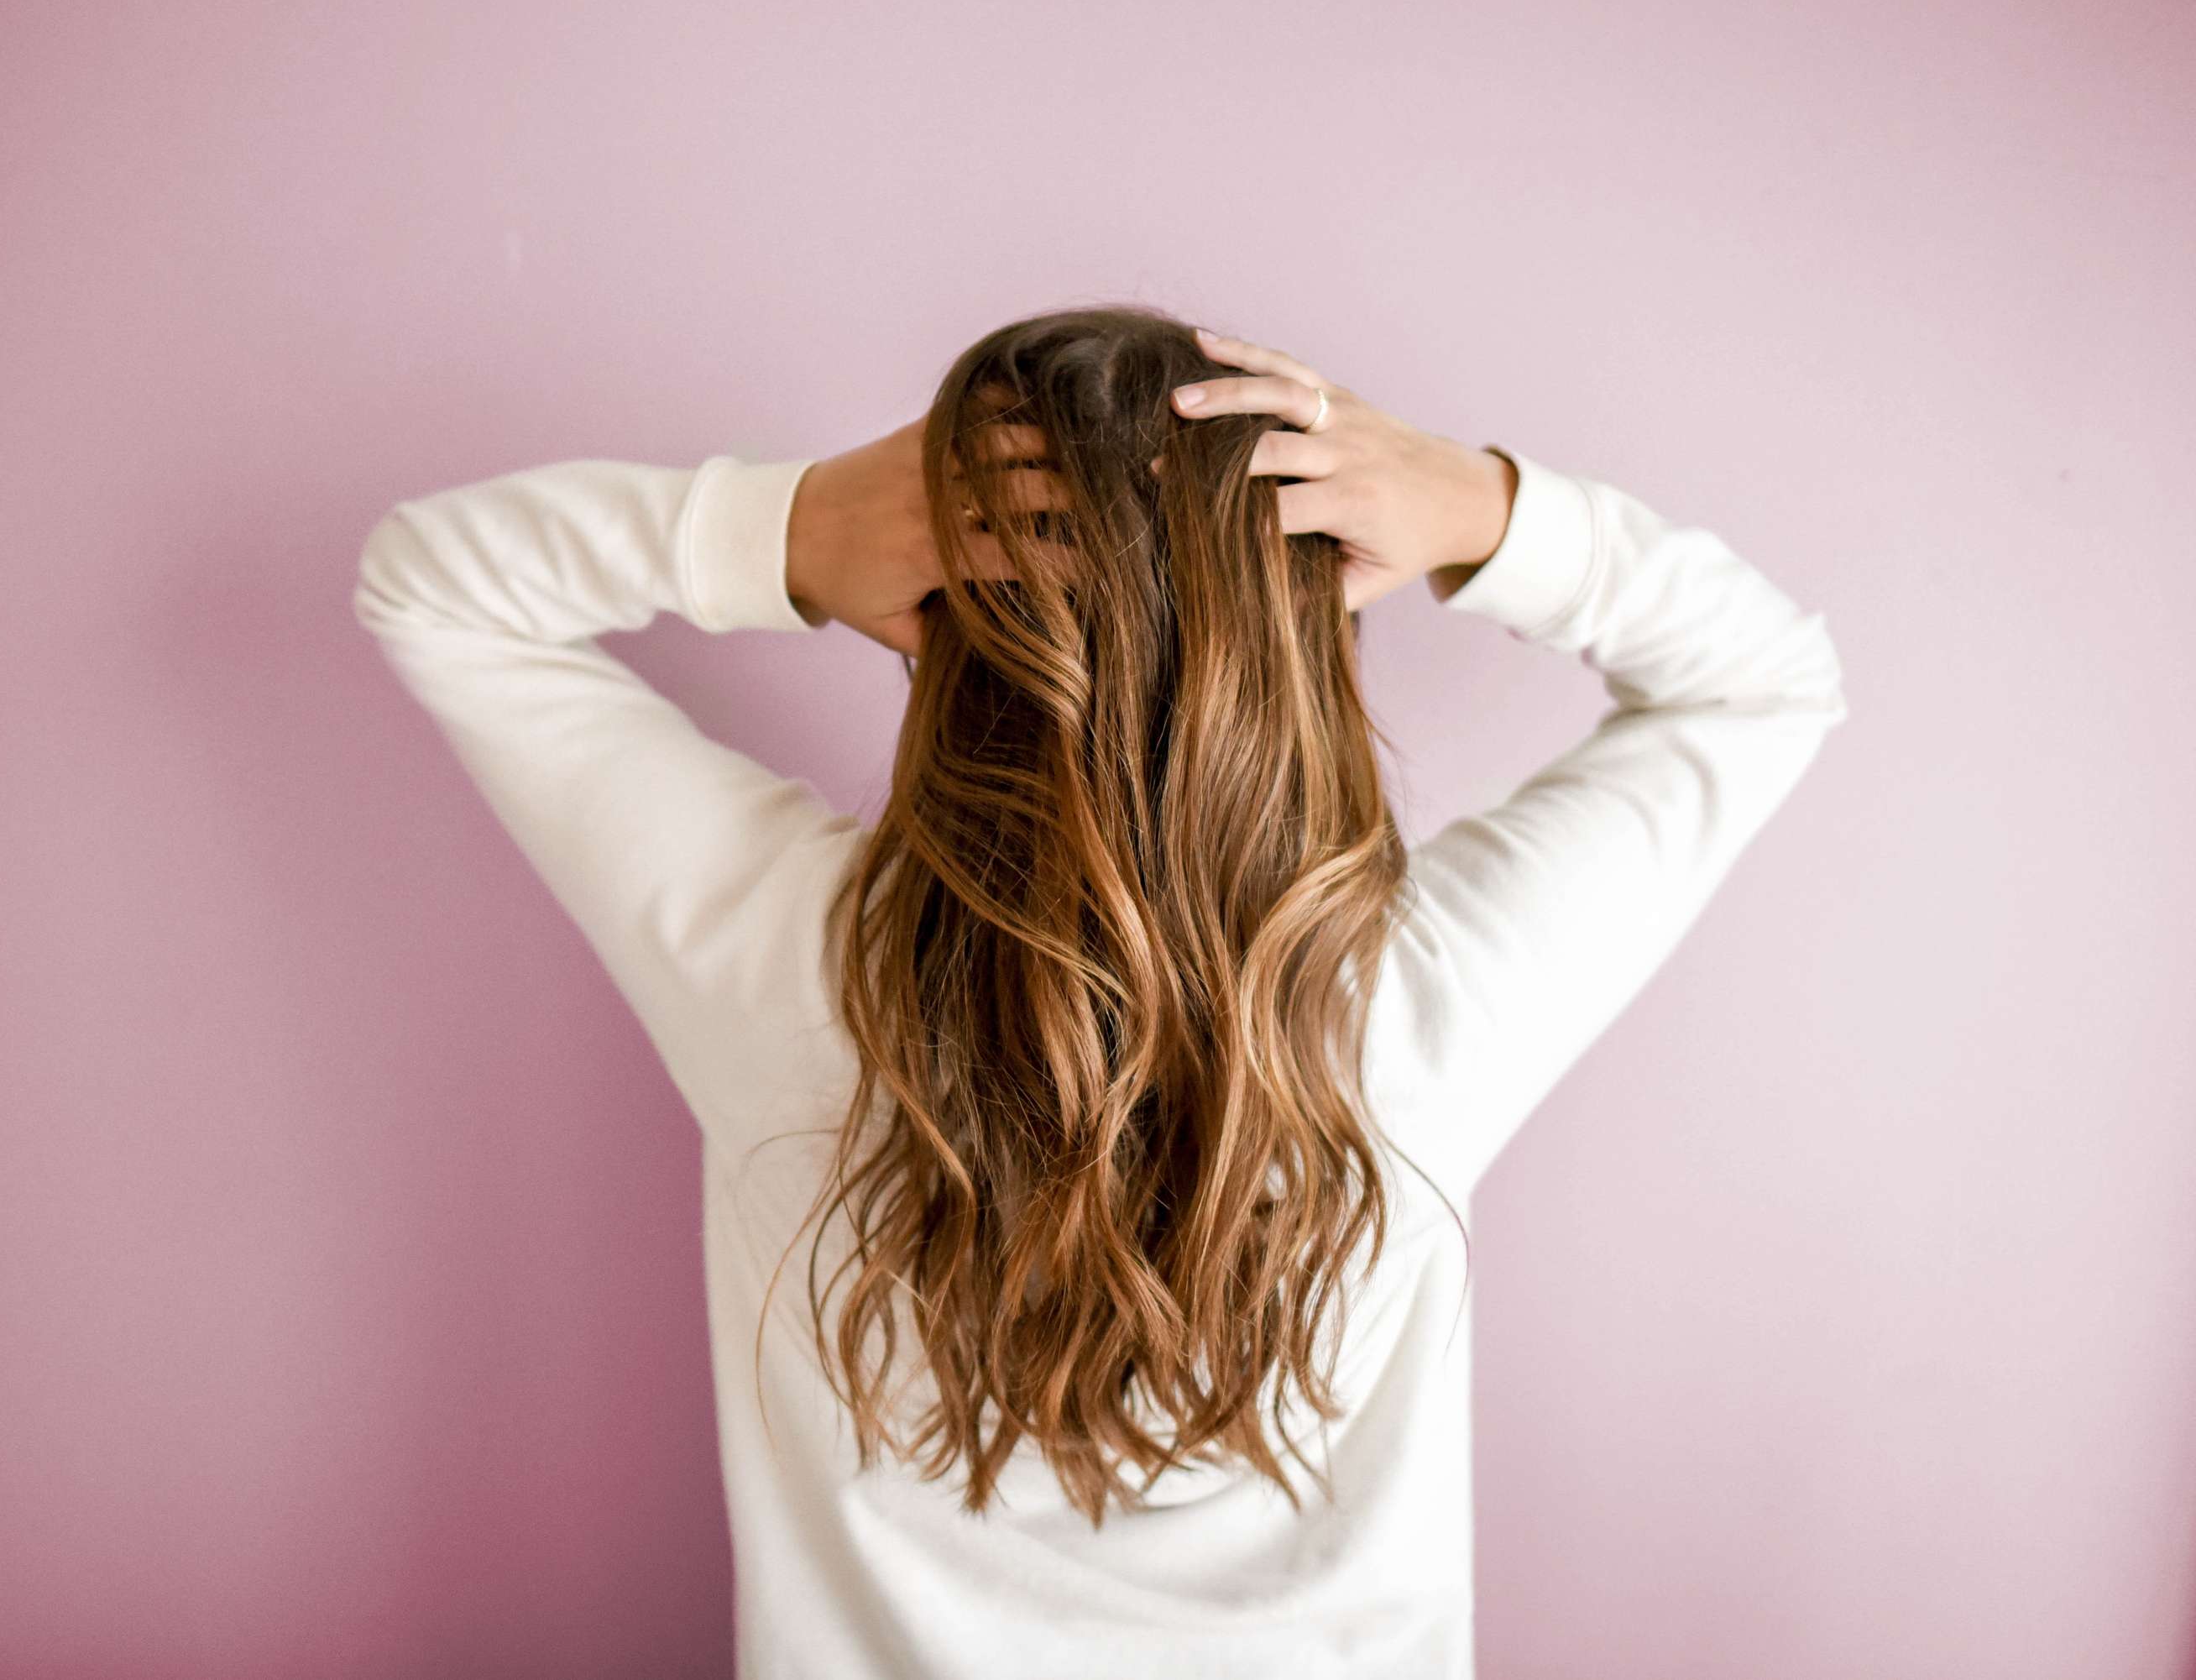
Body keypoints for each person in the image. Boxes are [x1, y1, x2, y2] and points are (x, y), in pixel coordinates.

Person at [351, 305, 1848, 1677]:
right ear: (1312, 640)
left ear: (936, 620)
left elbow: (433, 585)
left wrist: (788, 528)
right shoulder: (1416, 1011)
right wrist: (1479, 510)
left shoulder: (792, 972)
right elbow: (1766, 679)